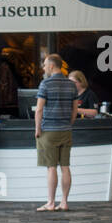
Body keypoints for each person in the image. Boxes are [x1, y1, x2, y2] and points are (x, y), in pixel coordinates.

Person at [35, 53, 79, 211]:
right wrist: (69, 123)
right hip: (66, 130)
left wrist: (37, 128)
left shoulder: (45, 84)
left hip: (49, 131)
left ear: (52, 66)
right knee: (65, 166)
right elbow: (75, 110)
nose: (44, 67)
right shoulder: (71, 85)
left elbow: (39, 109)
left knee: (51, 167)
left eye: (45, 65)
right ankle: (65, 202)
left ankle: (51, 203)